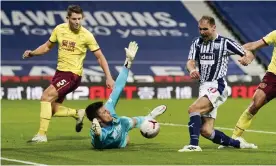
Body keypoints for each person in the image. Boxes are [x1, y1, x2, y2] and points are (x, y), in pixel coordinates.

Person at [23, 5, 114, 143]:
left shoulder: (86, 35)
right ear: (68, 18)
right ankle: (77, 113)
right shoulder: (59, 29)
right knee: (52, 109)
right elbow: (47, 46)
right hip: (60, 73)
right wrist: (32, 53)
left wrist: (108, 76)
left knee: (46, 96)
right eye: (74, 19)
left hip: (72, 75)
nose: (77, 22)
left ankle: (41, 135)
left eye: (79, 18)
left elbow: (100, 57)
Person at [178, 16, 257, 152]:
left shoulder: (225, 43)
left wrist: (247, 59)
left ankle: (193, 146)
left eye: (205, 29)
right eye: (200, 29)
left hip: (217, 86)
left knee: (193, 109)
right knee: (206, 131)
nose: (202, 32)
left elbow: (248, 53)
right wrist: (192, 70)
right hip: (204, 87)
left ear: (214, 27)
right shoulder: (197, 42)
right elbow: (190, 61)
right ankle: (238, 144)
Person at [85, 41, 167, 149]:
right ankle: (145, 119)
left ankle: (148, 117)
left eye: (106, 109)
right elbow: (99, 145)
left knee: (129, 121)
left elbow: (118, 88)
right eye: (104, 112)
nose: (108, 111)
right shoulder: (99, 132)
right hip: (121, 140)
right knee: (125, 130)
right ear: (98, 120)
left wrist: (128, 62)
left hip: (121, 128)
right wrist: (97, 135)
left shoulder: (109, 111)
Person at [227, 30, 276, 144]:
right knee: (256, 103)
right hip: (273, 76)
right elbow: (254, 45)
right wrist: (242, 53)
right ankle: (235, 138)